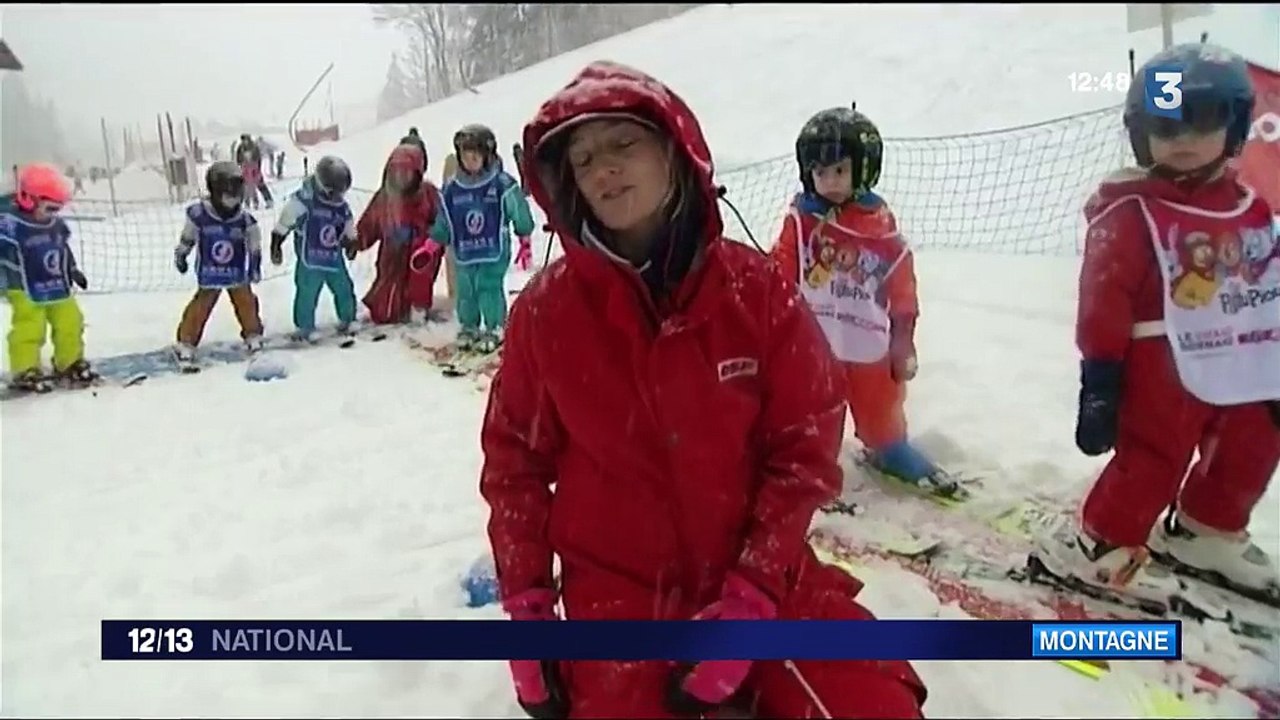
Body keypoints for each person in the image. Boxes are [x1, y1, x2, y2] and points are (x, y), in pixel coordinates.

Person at [481, 60, 928, 719]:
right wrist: (528, 608)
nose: (603, 169)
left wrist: (753, 593)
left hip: (765, 582)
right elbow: (514, 465)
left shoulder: (755, 292)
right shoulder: (547, 314)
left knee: (873, 707)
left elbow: (804, 447)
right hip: (620, 604)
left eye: (622, 143)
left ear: (674, 150)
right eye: (583, 158)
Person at [1034, 43, 1280, 605]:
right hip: (1161, 367)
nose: (1183, 139)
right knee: (1154, 456)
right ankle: (1100, 542)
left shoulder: (1249, 207)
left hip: (1243, 359)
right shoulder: (1129, 211)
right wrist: (1101, 377)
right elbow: (1103, 298)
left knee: (1253, 441)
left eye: (1202, 122)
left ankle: (1207, 527)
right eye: (1165, 127)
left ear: (1235, 127)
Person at [769, 105, 950, 493]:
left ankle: (887, 446)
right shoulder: (801, 221)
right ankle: (811, 458)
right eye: (820, 172)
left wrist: (903, 336)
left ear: (864, 169)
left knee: (879, 400)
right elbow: (781, 269)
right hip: (815, 340)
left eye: (839, 170)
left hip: (868, 338)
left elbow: (901, 281)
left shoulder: (878, 224)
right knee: (812, 407)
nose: (829, 182)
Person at [430, 124, 535, 353]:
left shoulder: (501, 185)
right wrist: (434, 240)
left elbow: (518, 210)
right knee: (466, 291)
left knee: (488, 288)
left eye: (475, 157)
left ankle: (495, 327)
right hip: (464, 251)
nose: (470, 162)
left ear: (487, 156)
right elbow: (445, 218)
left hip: (493, 250)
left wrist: (524, 236)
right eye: (465, 157)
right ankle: (469, 326)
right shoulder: (452, 189)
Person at [0, 163, 96, 392]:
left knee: (71, 320)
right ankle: (25, 369)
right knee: (30, 326)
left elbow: (61, 249)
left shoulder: (54, 226)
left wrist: (72, 269)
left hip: (56, 283)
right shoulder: (11, 226)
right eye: (50, 208)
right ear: (28, 199)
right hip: (23, 285)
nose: (53, 214)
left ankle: (69, 362)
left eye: (57, 209)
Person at [172, 161, 265, 362]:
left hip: (236, 272)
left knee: (247, 303)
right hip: (210, 272)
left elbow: (254, 243)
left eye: (236, 195)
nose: (233, 201)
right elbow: (188, 236)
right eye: (228, 196)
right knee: (200, 307)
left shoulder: (244, 220)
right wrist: (182, 254)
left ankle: (253, 334)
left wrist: (255, 265)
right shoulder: (200, 215)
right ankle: (186, 341)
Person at [270, 155, 359, 341]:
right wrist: (277, 242)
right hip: (310, 259)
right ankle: (305, 326)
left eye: (340, 193)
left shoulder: (341, 207)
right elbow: (286, 221)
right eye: (333, 193)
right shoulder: (304, 202)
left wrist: (351, 242)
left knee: (344, 287)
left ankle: (348, 318)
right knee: (307, 292)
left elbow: (347, 223)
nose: (337, 197)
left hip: (333, 257)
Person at [353, 143, 444, 324]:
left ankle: (418, 307)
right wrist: (357, 241)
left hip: (421, 252)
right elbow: (370, 222)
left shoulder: (428, 194)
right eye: (396, 172)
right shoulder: (385, 198)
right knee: (385, 309)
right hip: (392, 252)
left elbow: (442, 220)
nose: (401, 177)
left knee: (419, 277)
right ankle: (388, 307)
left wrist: (434, 238)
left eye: (406, 172)